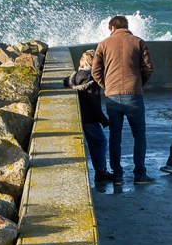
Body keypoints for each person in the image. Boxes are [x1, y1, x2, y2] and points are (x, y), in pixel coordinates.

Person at [92, 15, 155, 184]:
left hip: (112, 96)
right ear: (126, 26)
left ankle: (118, 175)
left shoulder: (103, 44)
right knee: (139, 135)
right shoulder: (138, 41)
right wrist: (139, 83)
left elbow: (95, 71)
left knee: (115, 136)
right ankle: (140, 174)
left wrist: (107, 86)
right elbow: (148, 68)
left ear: (111, 28)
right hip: (134, 94)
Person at [64, 49, 115, 186]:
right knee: (101, 142)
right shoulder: (91, 78)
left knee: (94, 144)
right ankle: (101, 172)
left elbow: (65, 82)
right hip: (90, 118)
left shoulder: (77, 75)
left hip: (81, 115)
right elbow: (93, 104)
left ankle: (100, 171)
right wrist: (105, 120)